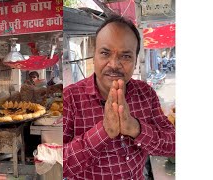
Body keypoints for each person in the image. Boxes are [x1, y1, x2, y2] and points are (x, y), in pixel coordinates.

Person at [63, 14, 175, 179]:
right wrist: (104, 131)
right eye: (105, 53)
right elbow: (59, 164)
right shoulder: (70, 98)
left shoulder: (145, 93)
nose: (114, 64)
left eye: (126, 56)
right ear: (94, 56)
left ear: (136, 61)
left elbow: (173, 143)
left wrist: (135, 128)